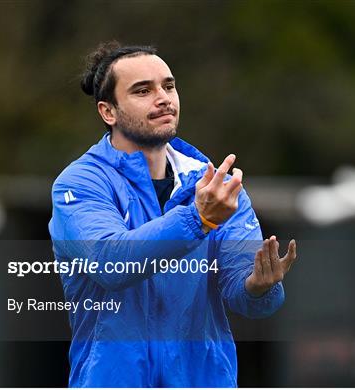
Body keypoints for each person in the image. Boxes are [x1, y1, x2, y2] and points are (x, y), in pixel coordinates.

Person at [48, 41, 298, 387]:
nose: (163, 97)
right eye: (142, 90)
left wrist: (259, 285)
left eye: (168, 85)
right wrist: (198, 220)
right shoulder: (79, 183)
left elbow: (247, 298)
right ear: (109, 112)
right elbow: (110, 262)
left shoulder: (213, 183)